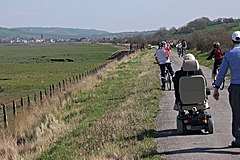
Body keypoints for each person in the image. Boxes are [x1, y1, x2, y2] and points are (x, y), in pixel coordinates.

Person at [213, 31, 240, 147]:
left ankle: (238, 139)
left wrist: (216, 88)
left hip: (235, 87)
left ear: (232, 41)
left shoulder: (229, 54)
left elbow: (222, 73)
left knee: (237, 112)